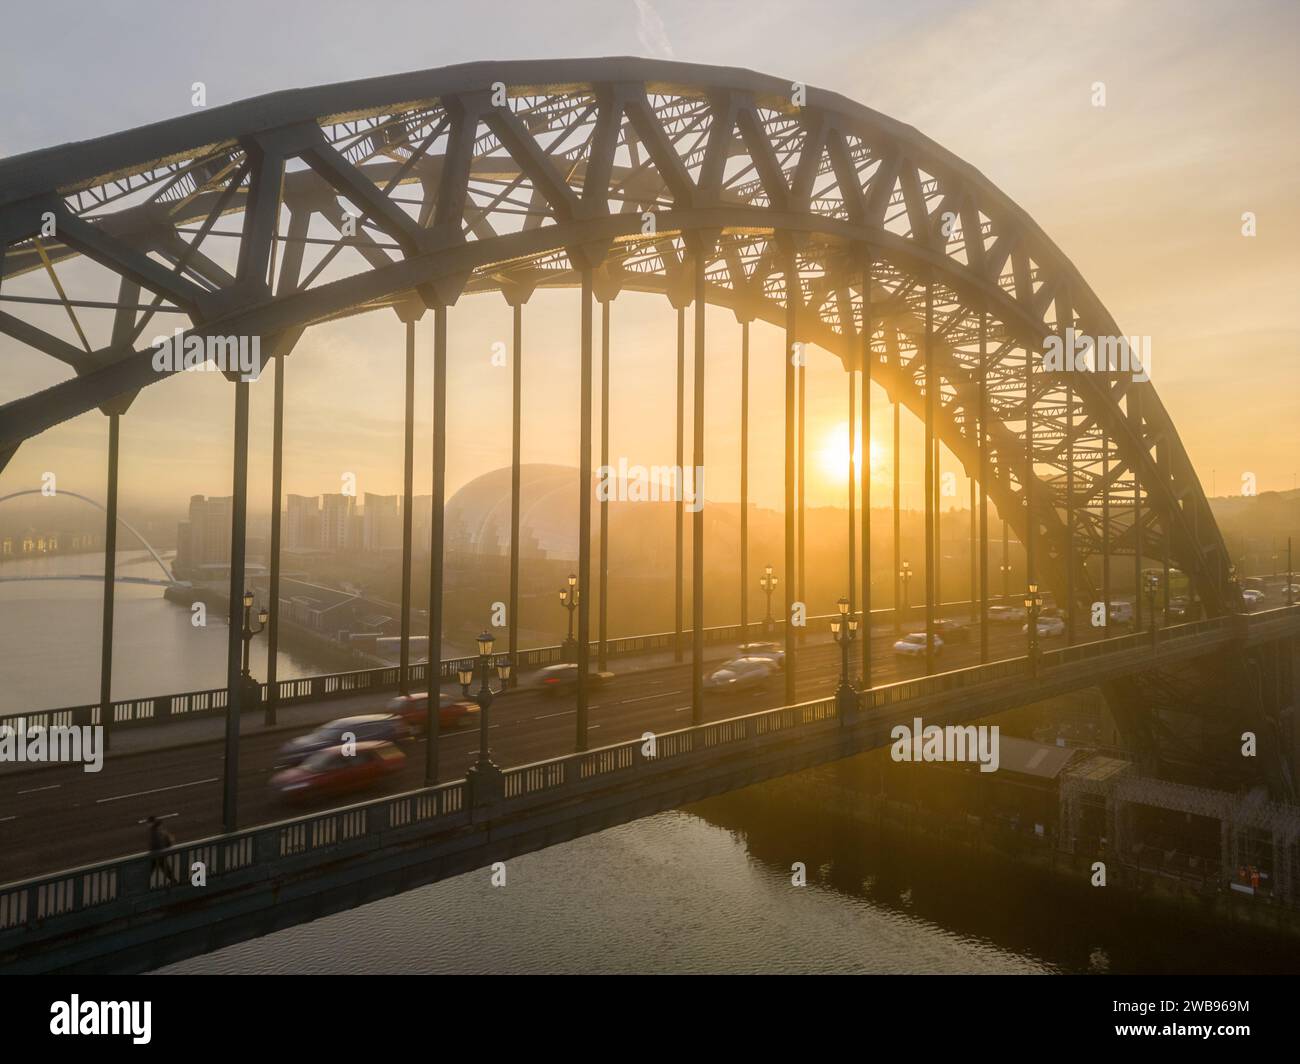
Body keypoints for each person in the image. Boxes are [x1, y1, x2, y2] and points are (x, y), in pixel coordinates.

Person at [147, 815, 178, 886]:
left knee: (150, 871)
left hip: (157, 854)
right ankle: (174, 882)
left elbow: (157, 843)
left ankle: (174, 882)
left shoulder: (155, 831)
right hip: (157, 854)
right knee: (164, 870)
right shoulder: (158, 830)